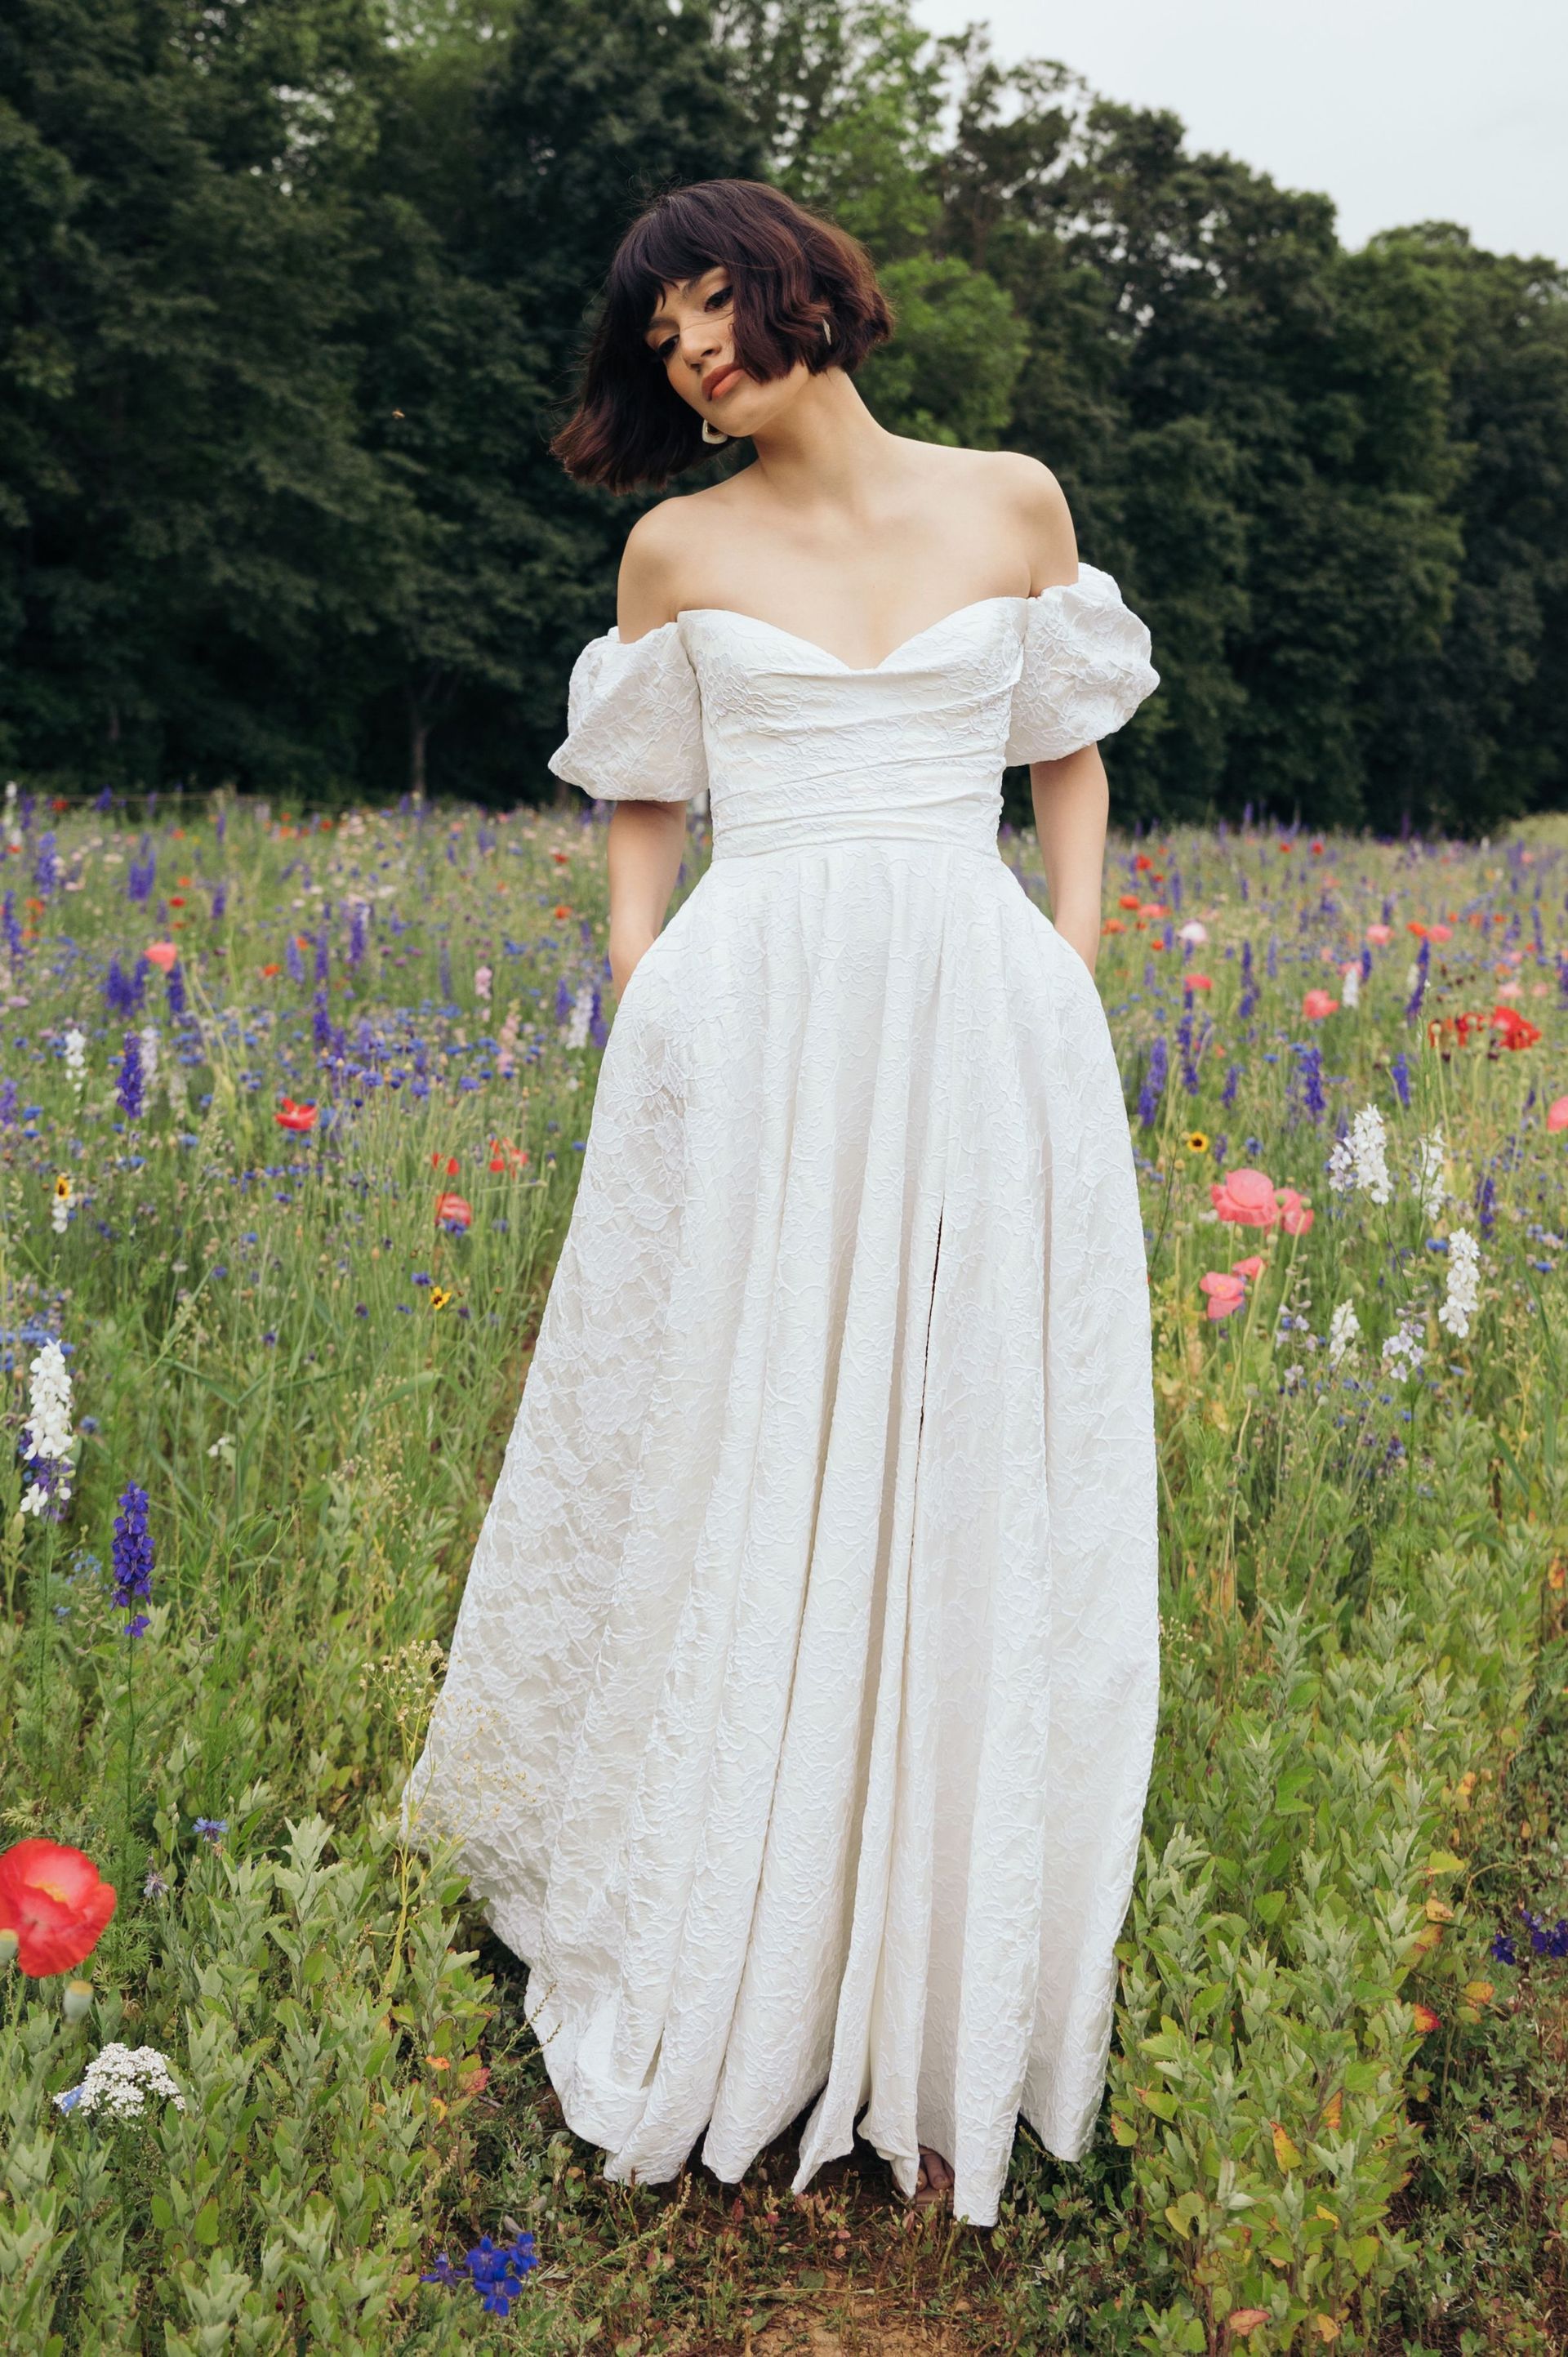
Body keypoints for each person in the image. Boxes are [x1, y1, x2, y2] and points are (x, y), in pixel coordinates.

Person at [401, 177, 1161, 2227]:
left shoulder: (1013, 501)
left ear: (797, 282)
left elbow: (1068, 749)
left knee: (958, 1444)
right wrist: (646, 977)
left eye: (706, 305)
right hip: (752, 1025)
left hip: (971, 1011)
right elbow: (645, 789)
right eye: (658, 342)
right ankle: (722, 1925)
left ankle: (926, 1988)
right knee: (731, 1434)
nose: (689, 353)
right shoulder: (677, 546)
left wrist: (1068, 962)